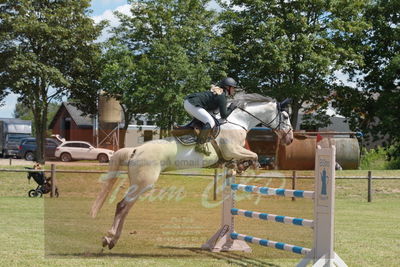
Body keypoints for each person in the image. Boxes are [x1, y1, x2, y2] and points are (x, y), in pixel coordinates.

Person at [184, 77, 238, 154]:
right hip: (192, 104)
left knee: (207, 119)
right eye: (233, 88)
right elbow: (224, 115)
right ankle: (200, 145)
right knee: (210, 122)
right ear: (227, 87)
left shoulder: (220, 93)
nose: (234, 90)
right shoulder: (222, 95)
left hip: (190, 103)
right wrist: (231, 108)